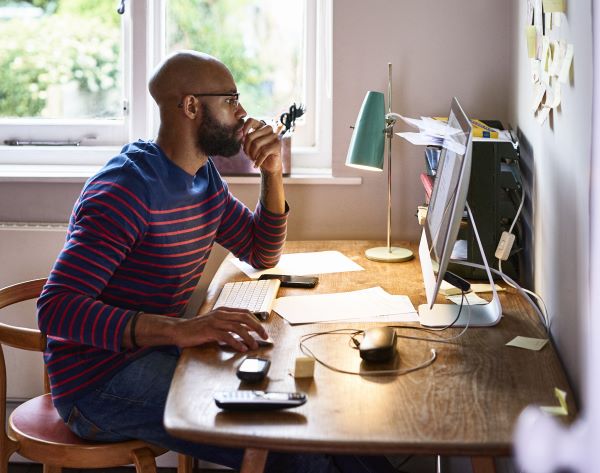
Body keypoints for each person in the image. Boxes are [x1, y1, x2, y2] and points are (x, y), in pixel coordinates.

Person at [37, 50, 397, 473]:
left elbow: (261, 252)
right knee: (294, 446)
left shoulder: (202, 178)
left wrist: (272, 171)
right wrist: (183, 329)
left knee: (325, 417)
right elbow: (55, 309)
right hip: (97, 383)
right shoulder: (125, 191)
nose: (242, 113)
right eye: (230, 100)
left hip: (156, 354)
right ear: (191, 106)